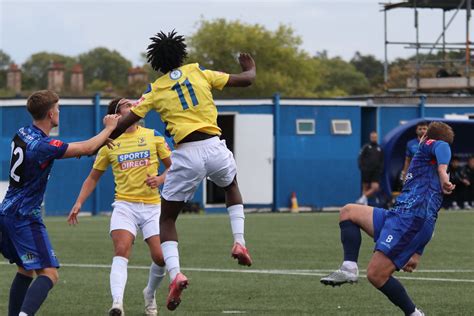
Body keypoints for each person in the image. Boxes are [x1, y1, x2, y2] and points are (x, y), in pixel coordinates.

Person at [107, 30, 257, 311]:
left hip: (186, 153)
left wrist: (103, 136)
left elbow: (125, 120)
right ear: (181, 54)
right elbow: (247, 80)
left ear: (156, 62)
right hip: (214, 146)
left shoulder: (154, 90)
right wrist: (250, 67)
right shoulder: (198, 72)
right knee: (231, 187)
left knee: (167, 219)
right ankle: (240, 242)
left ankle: (176, 274)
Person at [0, 90, 119, 316]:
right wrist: (109, 128)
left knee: (25, 270)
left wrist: (98, 141)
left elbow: (71, 149)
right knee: (49, 275)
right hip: (24, 217)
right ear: (51, 114)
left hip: (6, 213)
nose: (59, 112)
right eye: (58, 108)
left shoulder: (23, 133)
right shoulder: (43, 146)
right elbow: (84, 148)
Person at [321, 121, 455, 316]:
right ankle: (349, 267)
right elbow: (431, 213)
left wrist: (443, 173)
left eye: (422, 135)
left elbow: (442, 146)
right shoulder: (426, 164)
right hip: (399, 215)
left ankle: (415, 314)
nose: (420, 138)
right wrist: (418, 251)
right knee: (348, 212)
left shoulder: (433, 148)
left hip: (408, 221)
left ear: (426, 138)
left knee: (376, 275)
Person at [67, 98, 172, 316]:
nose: (134, 104)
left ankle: (149, 294)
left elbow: (174, 167)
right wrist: (78, 202)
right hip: (125, 205)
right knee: (121, 250)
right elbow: (92, 178)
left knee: (161, 257)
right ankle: (117, 304)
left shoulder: (153, 136)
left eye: (135, 102)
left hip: (152, 206)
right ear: (116, 114)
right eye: (127, 104)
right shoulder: (109, 142)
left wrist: (161, 179)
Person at [356, 131, 384, 205]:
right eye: (372, 137)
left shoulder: (379, 148)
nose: (374, 138)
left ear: (377, 137)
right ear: (370, 137)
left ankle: (363, 198)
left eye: (375, 137)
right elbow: (360, 158)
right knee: (365, 187)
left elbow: (382, 160)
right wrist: (362, 167)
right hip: (366, 171)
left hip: (376, 172)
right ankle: (364, 204)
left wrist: (380, 169)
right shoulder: (366, 147)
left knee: (375, 187)